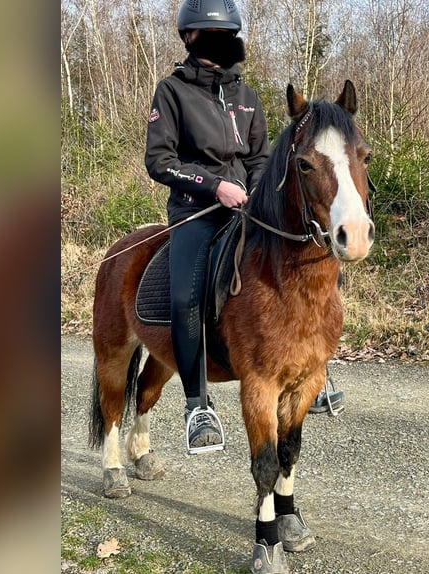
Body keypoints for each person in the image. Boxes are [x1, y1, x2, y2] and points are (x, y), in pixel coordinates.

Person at [144, 0, 269, 451]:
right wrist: (214, 185)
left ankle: (312, 368)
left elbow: (259, 158)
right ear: (190, 38)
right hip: (195, 209)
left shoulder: (247, 97)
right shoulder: (172, 92)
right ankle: (197, 404)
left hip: (248, 209)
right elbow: (159, 160)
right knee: (185, 293)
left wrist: (257, 193)